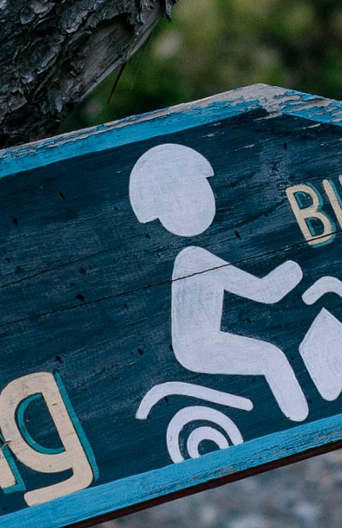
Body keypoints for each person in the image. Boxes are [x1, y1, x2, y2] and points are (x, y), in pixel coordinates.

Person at [129, 142, 311, 421]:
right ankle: (302, 421)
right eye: (193, 190)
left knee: (271, 354)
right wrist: (297, 264)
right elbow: (266, 292)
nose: (204, 197)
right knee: (272, 357)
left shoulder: (193, 256)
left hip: (200, 342)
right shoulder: (194, 258)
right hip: (199, 346)